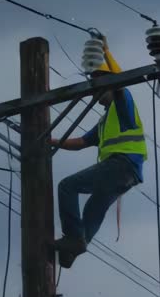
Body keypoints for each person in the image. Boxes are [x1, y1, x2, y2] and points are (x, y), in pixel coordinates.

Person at [50, 83, 145, 268]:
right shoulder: (105, 121)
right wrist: (52, 141)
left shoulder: (122, 102)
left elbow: (118, 79)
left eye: (100, 89)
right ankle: (74, 247)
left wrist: (105, 55)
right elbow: (81, 142)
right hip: (126, 174)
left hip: (120, 164)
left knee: (67, 186)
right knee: (94, 208)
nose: (96, 95)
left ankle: (74, 239)